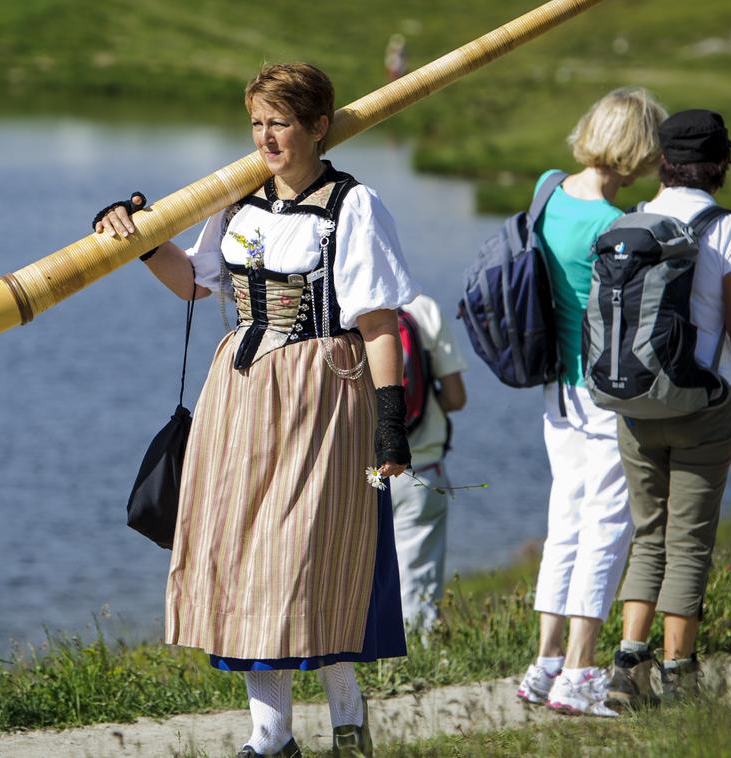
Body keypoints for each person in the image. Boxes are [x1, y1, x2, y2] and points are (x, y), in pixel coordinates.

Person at [95, 63, 418, 757]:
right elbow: (192, 283)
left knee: (308, 553)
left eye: (281, 122)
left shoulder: (352, 207)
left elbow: (381, 323)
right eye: (257, 124)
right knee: (245, 557)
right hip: (238, 395)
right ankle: (270, 735)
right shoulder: (235, 201)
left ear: (318, 126)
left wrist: (391, 419)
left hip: (323, 395)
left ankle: (348, 715)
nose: (266, 138)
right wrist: (143, 240)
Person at [512, 87, 668, 717]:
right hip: (603, 391)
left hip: (557, 387)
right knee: (605, 526)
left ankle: (545, 664)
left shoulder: (547, 188)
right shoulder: (616, 227)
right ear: (636, 148)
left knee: (565, 521)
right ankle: (579, 673)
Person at [606, 109, 731, 707]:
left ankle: (627, 665)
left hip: (633, 405)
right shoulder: (727, 228)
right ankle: (679, 674)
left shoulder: (630, 220)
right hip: (701, 404)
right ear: (720, 162)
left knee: (648, 535)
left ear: (662, 162)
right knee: (690, 539)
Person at [390, 294, 467, 627]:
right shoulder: (422, 308)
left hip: (361, 470)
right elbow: (455, 397)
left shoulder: (337, 308)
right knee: (418, 585)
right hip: (421, 469)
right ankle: (418, 664)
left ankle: (362, 669)